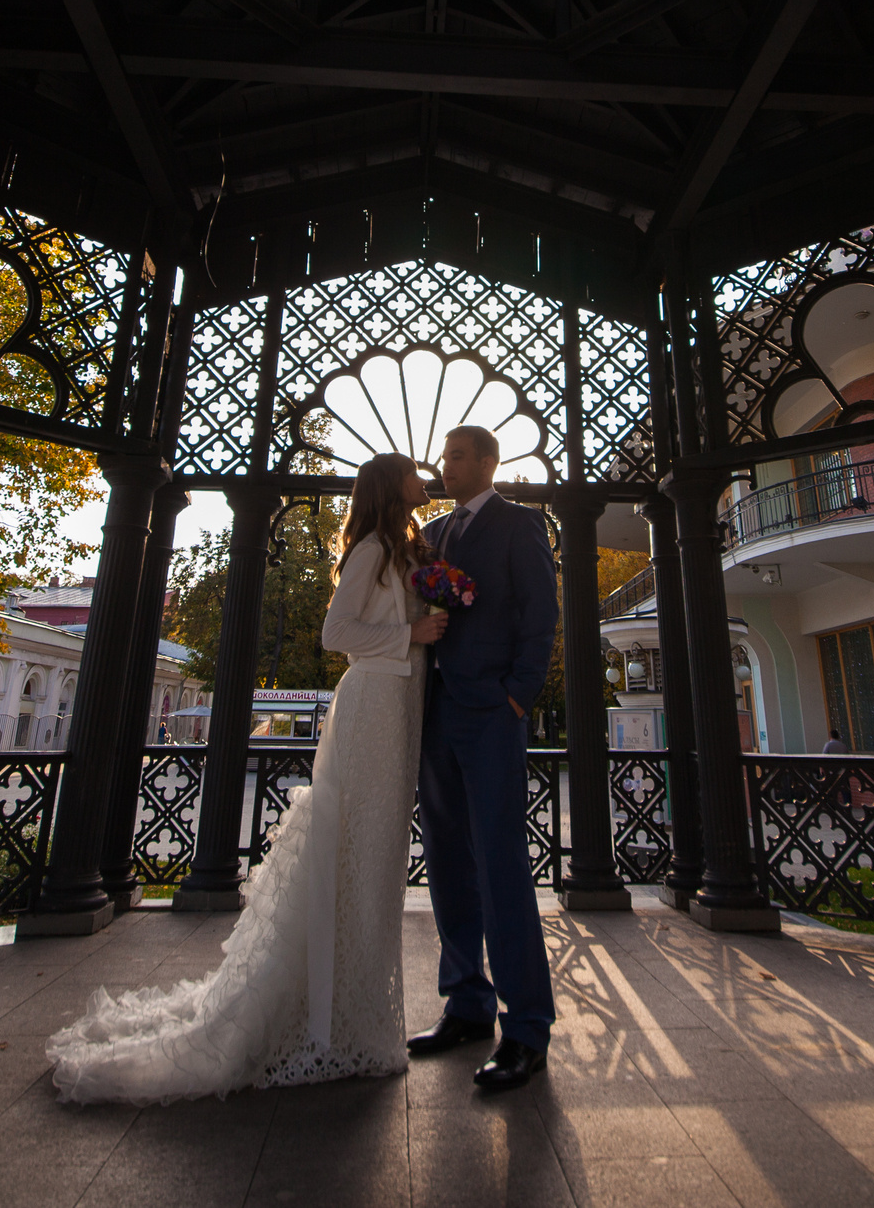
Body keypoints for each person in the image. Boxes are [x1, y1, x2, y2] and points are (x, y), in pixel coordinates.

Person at [47, 452, 448, 1102]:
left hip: (397, 711)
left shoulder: (403, 546)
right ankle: (340, 1022)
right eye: (411, 468)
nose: (422, 474)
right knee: (362, 859)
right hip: (373, 708)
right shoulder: (373, 546)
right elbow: (335, 632)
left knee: (373, 865)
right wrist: (412, 630)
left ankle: (348, 1010)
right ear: (387, 483)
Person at [407, 424, 560, 1092]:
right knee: (446, 859)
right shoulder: (432, 532)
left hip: (493, 714)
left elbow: (540, 613)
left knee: (500, 862)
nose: (447, 465)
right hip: (435, 714)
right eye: (444, 456)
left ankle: (526, 1026)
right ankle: (466, 1002)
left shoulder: (520, 522)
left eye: (459, 455)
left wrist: (518, 696)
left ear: (489, 462)